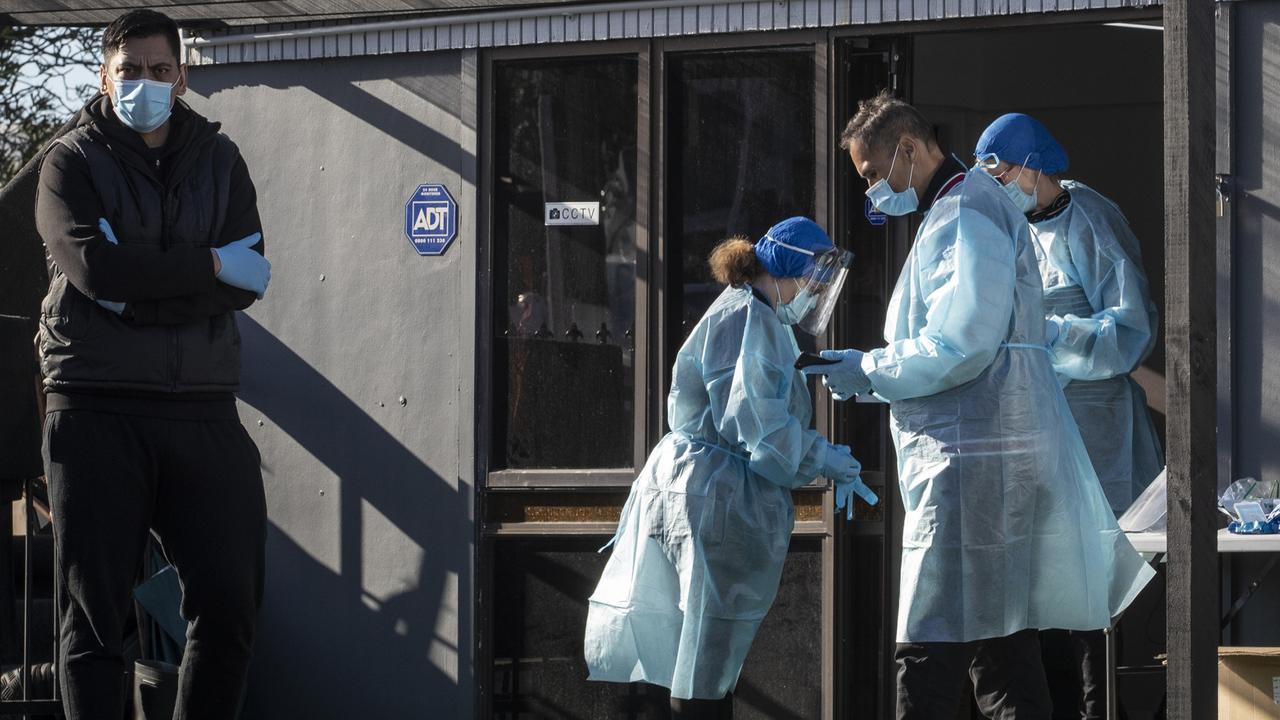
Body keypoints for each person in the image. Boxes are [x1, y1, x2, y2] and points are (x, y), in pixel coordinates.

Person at [805, 91, 1154, 720]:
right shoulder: (961, 210)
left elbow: (959, 344)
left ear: (907, 149)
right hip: (984, 458)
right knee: (1003, 647)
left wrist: (870, 369)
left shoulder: (968, 213)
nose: (873, 192)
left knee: (933, 643)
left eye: (873, 174)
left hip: (969, 464)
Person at [35, 10, 270, 719]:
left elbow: (250, 278)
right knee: (97, 621)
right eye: (130, 71)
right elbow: (97, 272)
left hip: (203, 406)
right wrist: (201, 268)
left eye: (159, 70)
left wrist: (140, 291)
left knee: (230, 605)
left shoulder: (220, 161)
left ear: (183, 76)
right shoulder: (68, 162)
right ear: (105, 78)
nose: (146, 82)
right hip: (94, 407)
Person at [584, 217, 876, 719]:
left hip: (699, 490)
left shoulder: (755, 314)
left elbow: (749, 401)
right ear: (785, 267)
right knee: (702, 664)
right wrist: (820, 456)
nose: (814, 293)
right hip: (708, 498)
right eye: (813, 280)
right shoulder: (749, 317)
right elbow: (757, 424)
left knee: (700, 657)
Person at [975, 113, 1164, 720]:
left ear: (1032, 166)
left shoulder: (1091, 220)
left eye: (1001, 172)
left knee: (1098, 600)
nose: (996, 183)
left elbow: (1130, 331)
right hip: (1041, 434)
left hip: (1100, 437)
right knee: (1047, 593)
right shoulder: (1018, 226)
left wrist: (1051, 334)